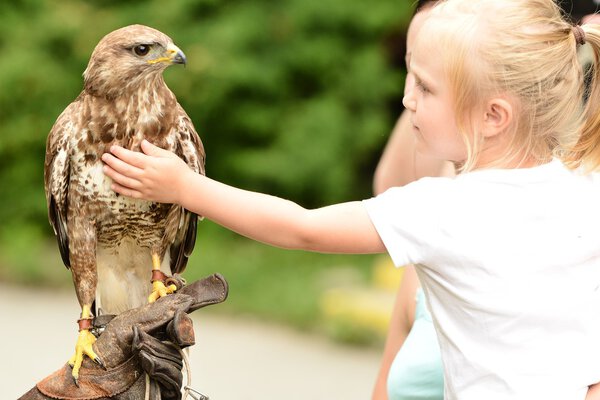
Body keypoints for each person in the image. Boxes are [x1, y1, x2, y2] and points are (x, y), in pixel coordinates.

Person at [102, 0, 600, 398]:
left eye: (425, 87)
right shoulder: (585, 189)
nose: (406, 99)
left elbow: (302, 227)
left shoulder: (443, 210)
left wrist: (185, 187)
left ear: (494, 116)